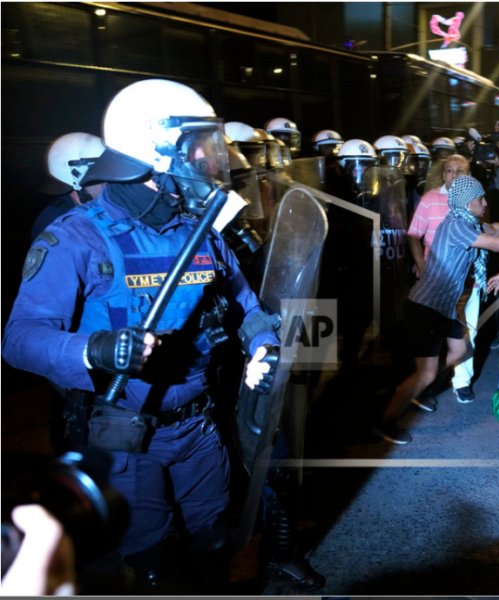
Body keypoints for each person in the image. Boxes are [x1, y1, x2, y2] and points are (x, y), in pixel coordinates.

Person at [2, 79, 280, 592]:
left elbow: (246, 305)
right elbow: (18, 338)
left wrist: (262, 342)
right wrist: (93, 349)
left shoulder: (201, 230)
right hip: (125, 437)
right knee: (156, 569)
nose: (207, 159)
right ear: (155, 151)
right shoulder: (76, 236)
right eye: (197, 146)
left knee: (214, 549)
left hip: (199, 430)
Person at [373, 175, 499, 445]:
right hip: (426, 307)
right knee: (428, 371)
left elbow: (495, 230)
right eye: (481, 199)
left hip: (442, 309)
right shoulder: (456, 226)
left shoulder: (467, 221)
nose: (485, 202)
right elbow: (492, 242)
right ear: (468, 204)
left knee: (461, 350)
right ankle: (385, 419)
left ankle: (414, 386)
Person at [31, 132, 106, 241]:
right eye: (98, 172)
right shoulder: (56, 223)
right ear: (74, 178)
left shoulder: (102, 208)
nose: (109, 180)